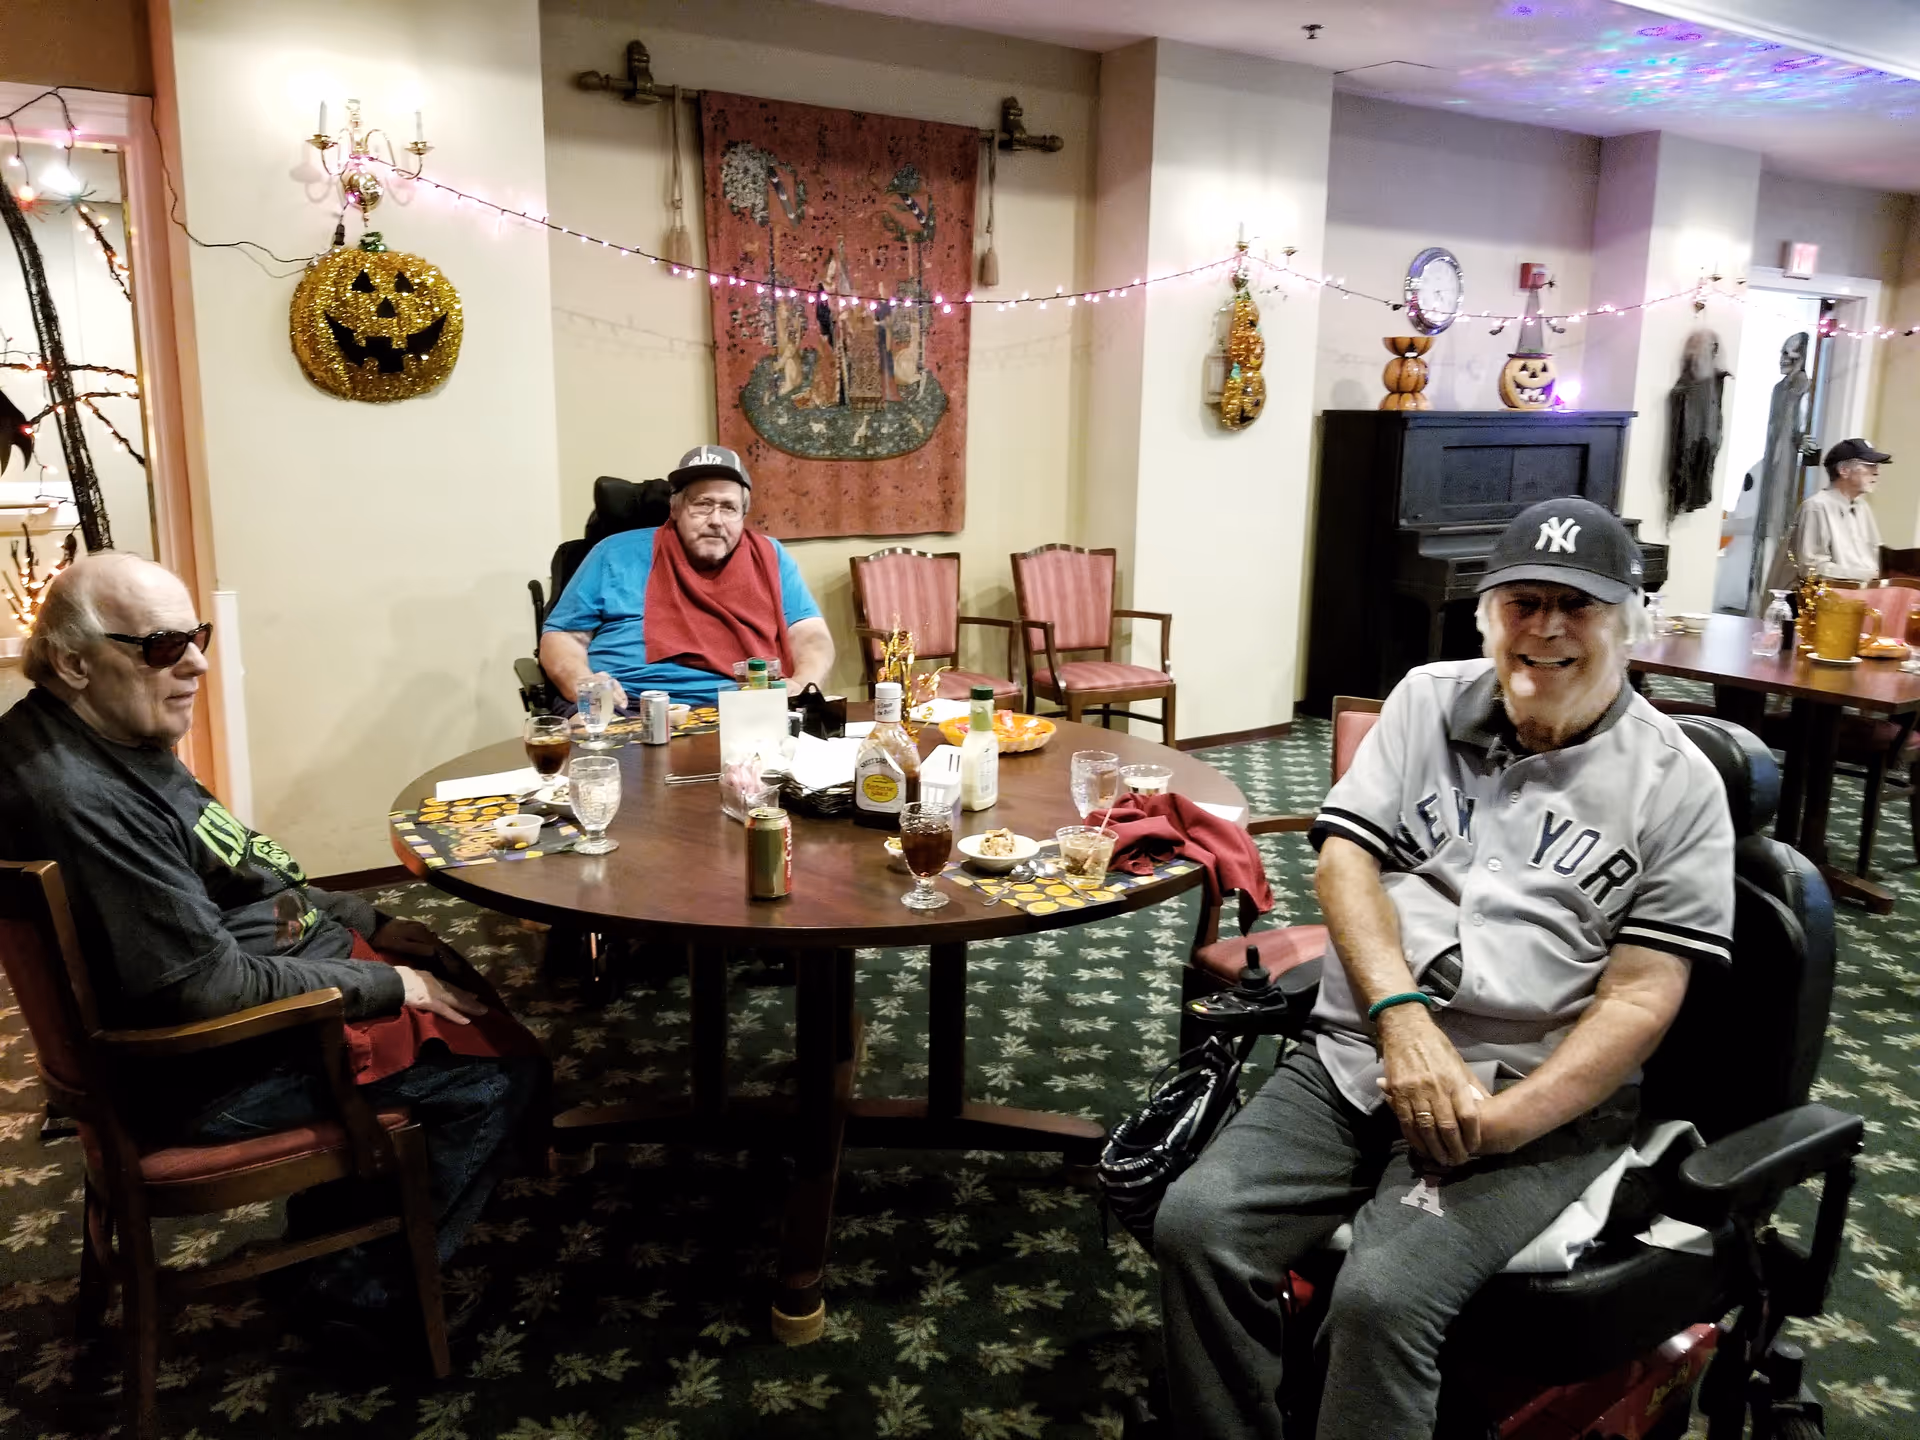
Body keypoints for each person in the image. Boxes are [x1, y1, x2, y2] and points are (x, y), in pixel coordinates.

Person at [1155, 498, 1735, 1440]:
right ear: (1487, 617)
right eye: (1522, 602)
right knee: (1198, 1228)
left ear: (1627, 624)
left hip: (1532, 1086)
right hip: (1361, 1055)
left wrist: (1503, 1127)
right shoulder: (1427, 698)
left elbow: (1641, 994)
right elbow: (1344, 859)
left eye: (1577, 607)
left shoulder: (1677, 785)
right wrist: (1400, 1016)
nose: (1545, 628)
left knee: (1385, 1299)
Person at [0, 553, 546, 1312]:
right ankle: (357, 1295)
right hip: (203, 1070)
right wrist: (390, 983)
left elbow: (243, 871)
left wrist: (367, 919)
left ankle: (342, 1228)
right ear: (72, 661)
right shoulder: (84, 799)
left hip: (245, 990)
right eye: (162, 646)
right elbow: (202, 986)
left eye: (198, 636)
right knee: (498, 1074)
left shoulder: (101, 739)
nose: (195, 663)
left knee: (454, 973)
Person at [539, 444, 834, 707]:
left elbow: (810, 635)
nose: (716, 520)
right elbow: (564, 636)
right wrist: (581, 683)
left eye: (729, 508)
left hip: (744, 710)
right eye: (703, 504)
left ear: (743, 515)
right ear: (676, 508)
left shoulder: (770, 556)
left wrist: (801, 685)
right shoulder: (614, 553)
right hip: (628, 707)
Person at [1769, 437, 1891, 588]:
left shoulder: (1862, 507)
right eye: (1868, 465)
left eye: (1877, 466)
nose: (1876, 472)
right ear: (1844, 470)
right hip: (1817, 603)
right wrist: (1865, 575)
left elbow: (1876, 558)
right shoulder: (1816, 507)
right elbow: (1811, 569)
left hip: (1857, 598)